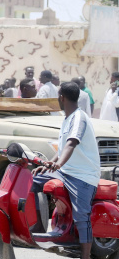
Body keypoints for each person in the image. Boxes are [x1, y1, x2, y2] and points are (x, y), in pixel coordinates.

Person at [32, 82, 100, 259]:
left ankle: (85, 256)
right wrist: (49, 164)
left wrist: (59, 165)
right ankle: (38, 229)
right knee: (34, 179)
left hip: (83, 175)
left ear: (61, 98)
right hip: (66, 171)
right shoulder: (67, 118)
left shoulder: (79, 117)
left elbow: (72, 143)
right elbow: (62, 147)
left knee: (81, 217)